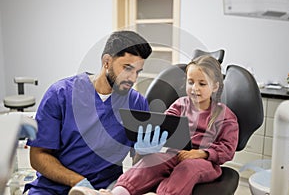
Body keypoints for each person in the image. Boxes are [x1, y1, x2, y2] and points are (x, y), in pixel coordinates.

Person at [69, 55, 239, 195]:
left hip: (205, 163)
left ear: (215, 86)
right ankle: (115, 193)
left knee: (188, 167)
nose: (195, 88)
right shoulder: (180, 104)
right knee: (152, 161)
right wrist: (149, 136)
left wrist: (202, 153)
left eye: (202, 84)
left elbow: (227, 149)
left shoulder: (224, 116)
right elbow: (165, 124)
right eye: (190, 82)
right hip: (175, 155)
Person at [24, 30, 167, 195]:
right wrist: (78, 182)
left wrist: (144, 153)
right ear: (107, 62)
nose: (133, 79)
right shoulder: (60, 94)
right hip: (52, 188)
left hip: (104, 189)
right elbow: (38, 156)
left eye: (137, 72)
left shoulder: (137, 103)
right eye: (127, 69)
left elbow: (137, 165)